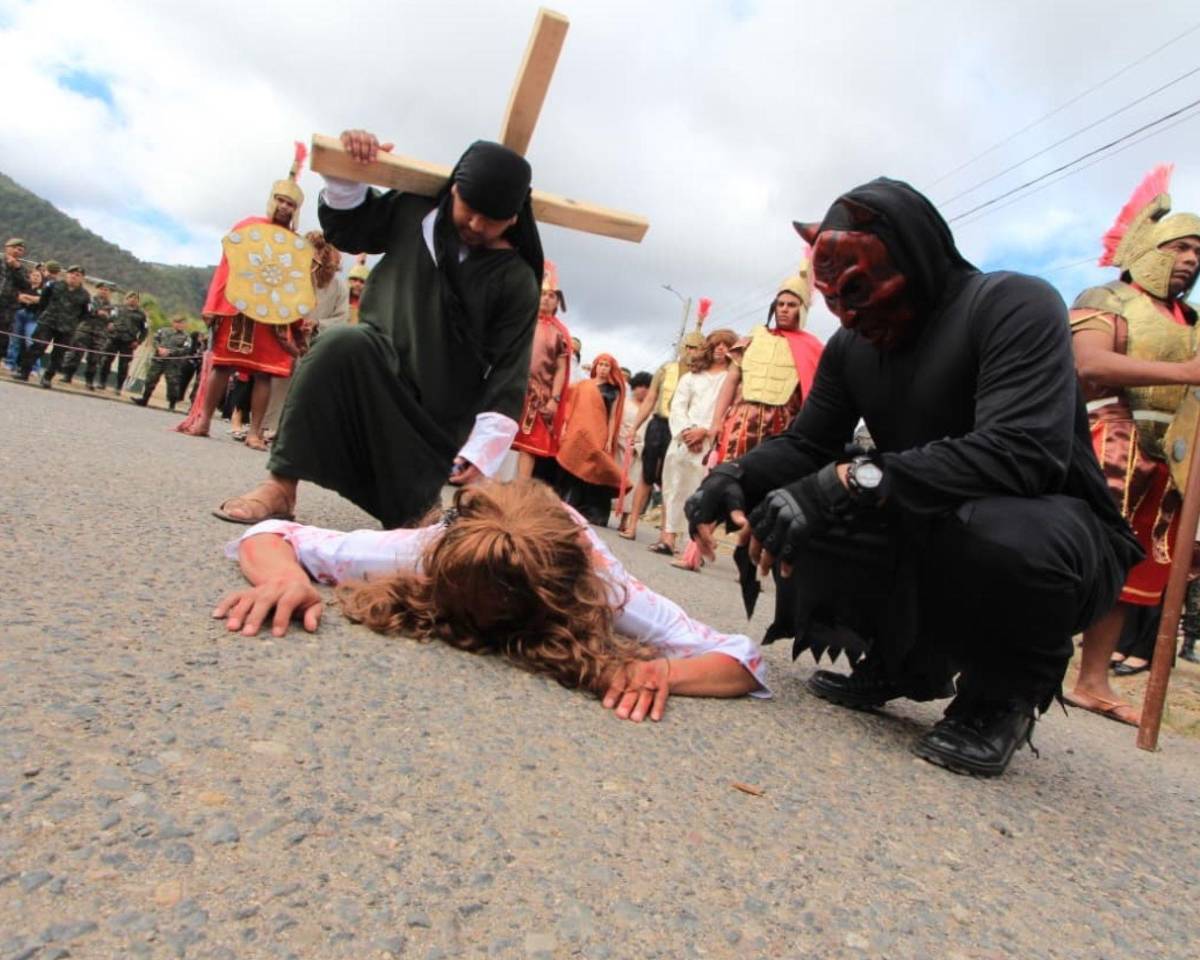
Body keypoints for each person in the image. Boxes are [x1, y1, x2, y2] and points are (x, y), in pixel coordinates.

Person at [687, 177, 1140, 777]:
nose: (850, 314)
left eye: (862, 293)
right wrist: (734, 475)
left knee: (989, 526)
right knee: (795, 500)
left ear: (917, 260)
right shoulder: (853, 346)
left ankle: (999, 695)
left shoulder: (1013, 304)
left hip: (1049, 526)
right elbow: (808, 442)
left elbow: (1025, 452)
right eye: (836, 300)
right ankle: (900, 657)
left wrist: (849, 481)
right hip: (930, 514)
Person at [215, 479, 768, 722]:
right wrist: (284, 579)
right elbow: (270, 533)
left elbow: (742, 660)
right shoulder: (426, 549)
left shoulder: (609, 591)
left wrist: (666, 675)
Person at [212, 130, 542, 529]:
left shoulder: (516, 281)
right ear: (453, 189)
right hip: (373, 365)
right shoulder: (417, 212)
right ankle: (281, 487)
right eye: (467, 207)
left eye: (491, 219)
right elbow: (352, 231)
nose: (474, 223)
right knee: (339, 343)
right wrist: (350, 172)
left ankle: (419, 511)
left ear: (513, 218)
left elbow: (509, 373)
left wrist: (481, 451)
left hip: (432, 419)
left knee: (413, 525)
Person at [1066, 164, 1200, 725]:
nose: (1193, 259)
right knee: (1077, 553)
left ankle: (1091, 681)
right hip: (1106, 438)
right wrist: (1189, 372)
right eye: (1183, 247)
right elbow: (1087, 361)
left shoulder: (1192, 320)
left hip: (1170, 451)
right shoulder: (1107, 296)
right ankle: (1016, 657)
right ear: (1151, 246)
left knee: (1129, 572)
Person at [181, 144, 310, 450]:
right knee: (223, 365)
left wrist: (297, 324)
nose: (284, 207)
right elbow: (227, 268)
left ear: (295, 210)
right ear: (271, 200)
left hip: (274, 314)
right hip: (237, 308)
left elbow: (297, 284)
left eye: (290, 204)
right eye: (280, 200)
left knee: (264, 373)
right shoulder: (247, 228)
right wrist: (212, 305)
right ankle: (204, 421)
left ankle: (254, 432)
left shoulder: (295, 244)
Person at [709, 269, 824, 463]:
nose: (784, 309)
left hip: (783, 425)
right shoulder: (752, 338)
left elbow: (815, 396)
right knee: (729, 478)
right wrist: (716, 422)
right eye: (780, 304)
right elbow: (731, 381)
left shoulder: (813, 348)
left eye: (791, 305)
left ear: (802, 309)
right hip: (741, 421)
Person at [620, 331, 706, 545]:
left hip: (683, 431)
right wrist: (635, 427)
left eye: (695, 348)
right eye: (688, 346)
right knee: (646, 477)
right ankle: (631, 526)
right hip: (659, 425)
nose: (690, 352)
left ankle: (667, 537)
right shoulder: (666, 369)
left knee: (673, 482)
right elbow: (650, 399)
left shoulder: (702, 376)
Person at [262, 230, 348, 438]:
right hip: (290, 337)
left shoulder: (339, 285)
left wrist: (317, 324)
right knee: (281, 379)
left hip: (318, 342)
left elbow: (342, 317)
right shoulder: (295, 276)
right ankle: (271, 425)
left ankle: (295, 431)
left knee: (307, 386)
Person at [659, 328, 736, 557]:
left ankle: (692, 548)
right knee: (674, 487)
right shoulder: (691, 377)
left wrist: (706, 432)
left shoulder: (731, 380)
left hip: (710, 441)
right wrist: (687, 431)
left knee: (701, 492)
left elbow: (729, 409)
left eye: (726, 345)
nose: (721, 349)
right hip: (684, 439)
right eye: (717, 344)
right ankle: (668, 538)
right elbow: (679, 407)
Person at [512, 259, 572, 478]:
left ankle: (520, 493)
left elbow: (561, 369)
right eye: (543, 294)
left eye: (551, 296)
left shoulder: (560, 334)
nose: (546, 299)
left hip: (539, 396)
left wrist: (554, 399)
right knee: (495, 434)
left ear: (557, 303)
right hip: (512, 387)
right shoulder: (520, 321)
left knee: (529, 447)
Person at [555, 353, 625, 525]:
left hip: (598, 434)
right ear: (595, 366)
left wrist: (609, 440)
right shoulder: (582, 386)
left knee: (592, 470)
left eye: (606, 365)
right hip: (578, 433)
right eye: (600, 364)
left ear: (611, 369)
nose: (603, 368)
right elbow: (570, 408)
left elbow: (612, 418)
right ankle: (565, 505)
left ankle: (590, 511)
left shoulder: (613, 390)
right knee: (571, 468)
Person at [13, 265, 91, 387]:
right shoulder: (53, 285)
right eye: (72, 273)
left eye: (78, 275)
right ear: (66, 274)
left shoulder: (85, 295)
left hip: (67, 328)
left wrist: (73, 323)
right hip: (48, 322)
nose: (74, 277)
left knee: (58, 354)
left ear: (82, 279)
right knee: (37, 347)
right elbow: (43, 301)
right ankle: (24, 372)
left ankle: (47, 378)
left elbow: (85, 314)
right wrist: (44, 314)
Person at [615, 370, 653, 532]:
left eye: (647, 387)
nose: (643, 390)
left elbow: (650, 430)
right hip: (621, 447)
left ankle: (625, 520)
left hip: (639, 452)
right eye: (640, 386)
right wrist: (625, 441)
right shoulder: (623, 403)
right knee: (616, 481)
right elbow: (618, 423)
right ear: (634, 386)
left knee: (635, 485)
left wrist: (640, 444)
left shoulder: (650, 411)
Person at [61, 281, 114, 389]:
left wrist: (107, 319)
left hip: (100, 334)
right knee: (76, 354)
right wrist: (98, 312)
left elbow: (113, 319)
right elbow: (87, 311)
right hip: (84, 330)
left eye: (106, 290)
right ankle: (68, 375)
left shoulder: (113, 307)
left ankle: (89, 381)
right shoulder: (89, 300)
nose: (104, 291)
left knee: (94, 359)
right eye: (102, 289)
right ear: (98, 289)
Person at [132, 315, 191, 410]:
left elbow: (186, 349)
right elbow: (155, 339)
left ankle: (172, 404)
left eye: (182, 323)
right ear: (173, 323)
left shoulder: (186, 337)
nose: (179, 325)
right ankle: (144, 399)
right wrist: (159, 348)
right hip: (158, 360)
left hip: (172, 363)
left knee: (173, 383)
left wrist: (170, 352)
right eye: (177, 322)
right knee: (150, 380)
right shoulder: (163, 331)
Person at [98, 290, 148, 394]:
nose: (133, 300)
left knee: (124, 366)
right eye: (131, 297)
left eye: (135, 298)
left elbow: (145, 330)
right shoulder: (118, 309)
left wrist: (138, 342)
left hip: (128, 342)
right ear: (126, 299)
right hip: (114, 338)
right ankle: (102, 383)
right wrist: (109, 325)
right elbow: (108, 319)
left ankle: (118, 387)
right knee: (106, 361)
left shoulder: (141, 315)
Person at [5, 266, 42, 371]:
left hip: (33, 317)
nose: (35, 277)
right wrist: (30, 299)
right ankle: (10, 363)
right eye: (34, 275)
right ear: (29, 276)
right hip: (19, 314)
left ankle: (34, 368)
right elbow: (19, 297)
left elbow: (40, 300)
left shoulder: (43, 290)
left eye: (38, 276)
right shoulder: (24, 287)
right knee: (15, 340)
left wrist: (28, 298)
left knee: (30, 342)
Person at [0, 238, 31, 362]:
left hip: (8, 306)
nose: (17, 252)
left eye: (20, 250)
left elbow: (26, 286)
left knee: (3, 333)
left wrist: (16, 269)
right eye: (15, 248)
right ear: (7, 248)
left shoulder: (22, 269)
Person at [347, 255, 369, 324]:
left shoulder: (369, 307)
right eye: (355, 279)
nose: (358, 284)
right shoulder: (340, 302)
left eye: (362, 281)